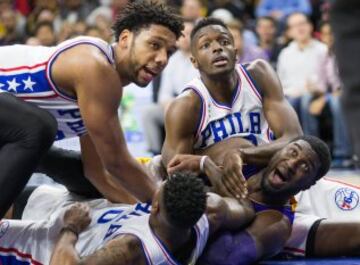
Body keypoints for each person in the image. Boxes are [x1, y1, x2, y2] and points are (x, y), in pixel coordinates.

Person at [0, 1, 183, 217]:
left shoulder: (102, 93)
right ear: (125, 39)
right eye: (154, 45)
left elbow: (97, 173)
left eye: (169, 53)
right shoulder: (95, 66)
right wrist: (170, 209)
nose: (162, 59)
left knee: (71, 167)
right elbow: (117, 162)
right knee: (38, 129)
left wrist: (141, 212)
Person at [162, 17, 302, 197]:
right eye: (206, 45)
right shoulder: (186, 105)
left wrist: (241, 153)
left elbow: (294, 137)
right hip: (216, 188)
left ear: (235, 53)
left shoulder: (259, 74)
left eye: (224, 42)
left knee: (310, 156)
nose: (217, 48)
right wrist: (208, 163)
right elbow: (175, 173)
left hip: (269, 176)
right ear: (194, 62)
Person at [0, 172, 255, 265]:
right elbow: (248, 208)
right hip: (55, 203)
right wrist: (203, 162)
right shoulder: (210, 212)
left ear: (155, 206)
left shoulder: (129, 250)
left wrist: (71, 227)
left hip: (35, 241)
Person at [164, 135, 332, 264]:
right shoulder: (237, 150)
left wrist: (209, 169)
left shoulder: (276, 224)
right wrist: (203, 165)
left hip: (169, 248)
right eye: (292, 152)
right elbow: (174, 164)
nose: (291, 164)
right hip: (152, 206)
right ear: (278, 150)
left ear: (308, 185)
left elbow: (221, 259)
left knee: (214, 207)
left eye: (305, 167)